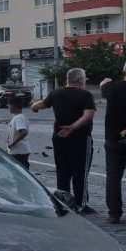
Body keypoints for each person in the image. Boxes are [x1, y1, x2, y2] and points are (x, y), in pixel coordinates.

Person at [31, 67, 96, 213]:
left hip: (59, 138)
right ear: (80, 80)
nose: (85, 80)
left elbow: (41, 104)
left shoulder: (56, 93)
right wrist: (73, 127)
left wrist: (34, 106)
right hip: (80, 139)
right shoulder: (85, 95)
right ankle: (81, 204)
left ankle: (63, 202)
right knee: (80, 173)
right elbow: (88, 117)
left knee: (63, 172)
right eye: (85, 78)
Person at [99, 58, 126, 226]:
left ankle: (114, 214)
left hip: (113, 139)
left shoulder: (112, 88)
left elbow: (103, 84)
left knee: (113, 177)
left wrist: (107, 81)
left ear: (124, 72)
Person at [6, 97, 30, 169]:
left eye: (9, 106)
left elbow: (23, 132)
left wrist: (12, 143)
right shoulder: (21, 117)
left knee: (19, 174)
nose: (8, 108)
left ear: (13, 106)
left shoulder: (18, 118)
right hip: (21, 150)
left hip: (18, 152)